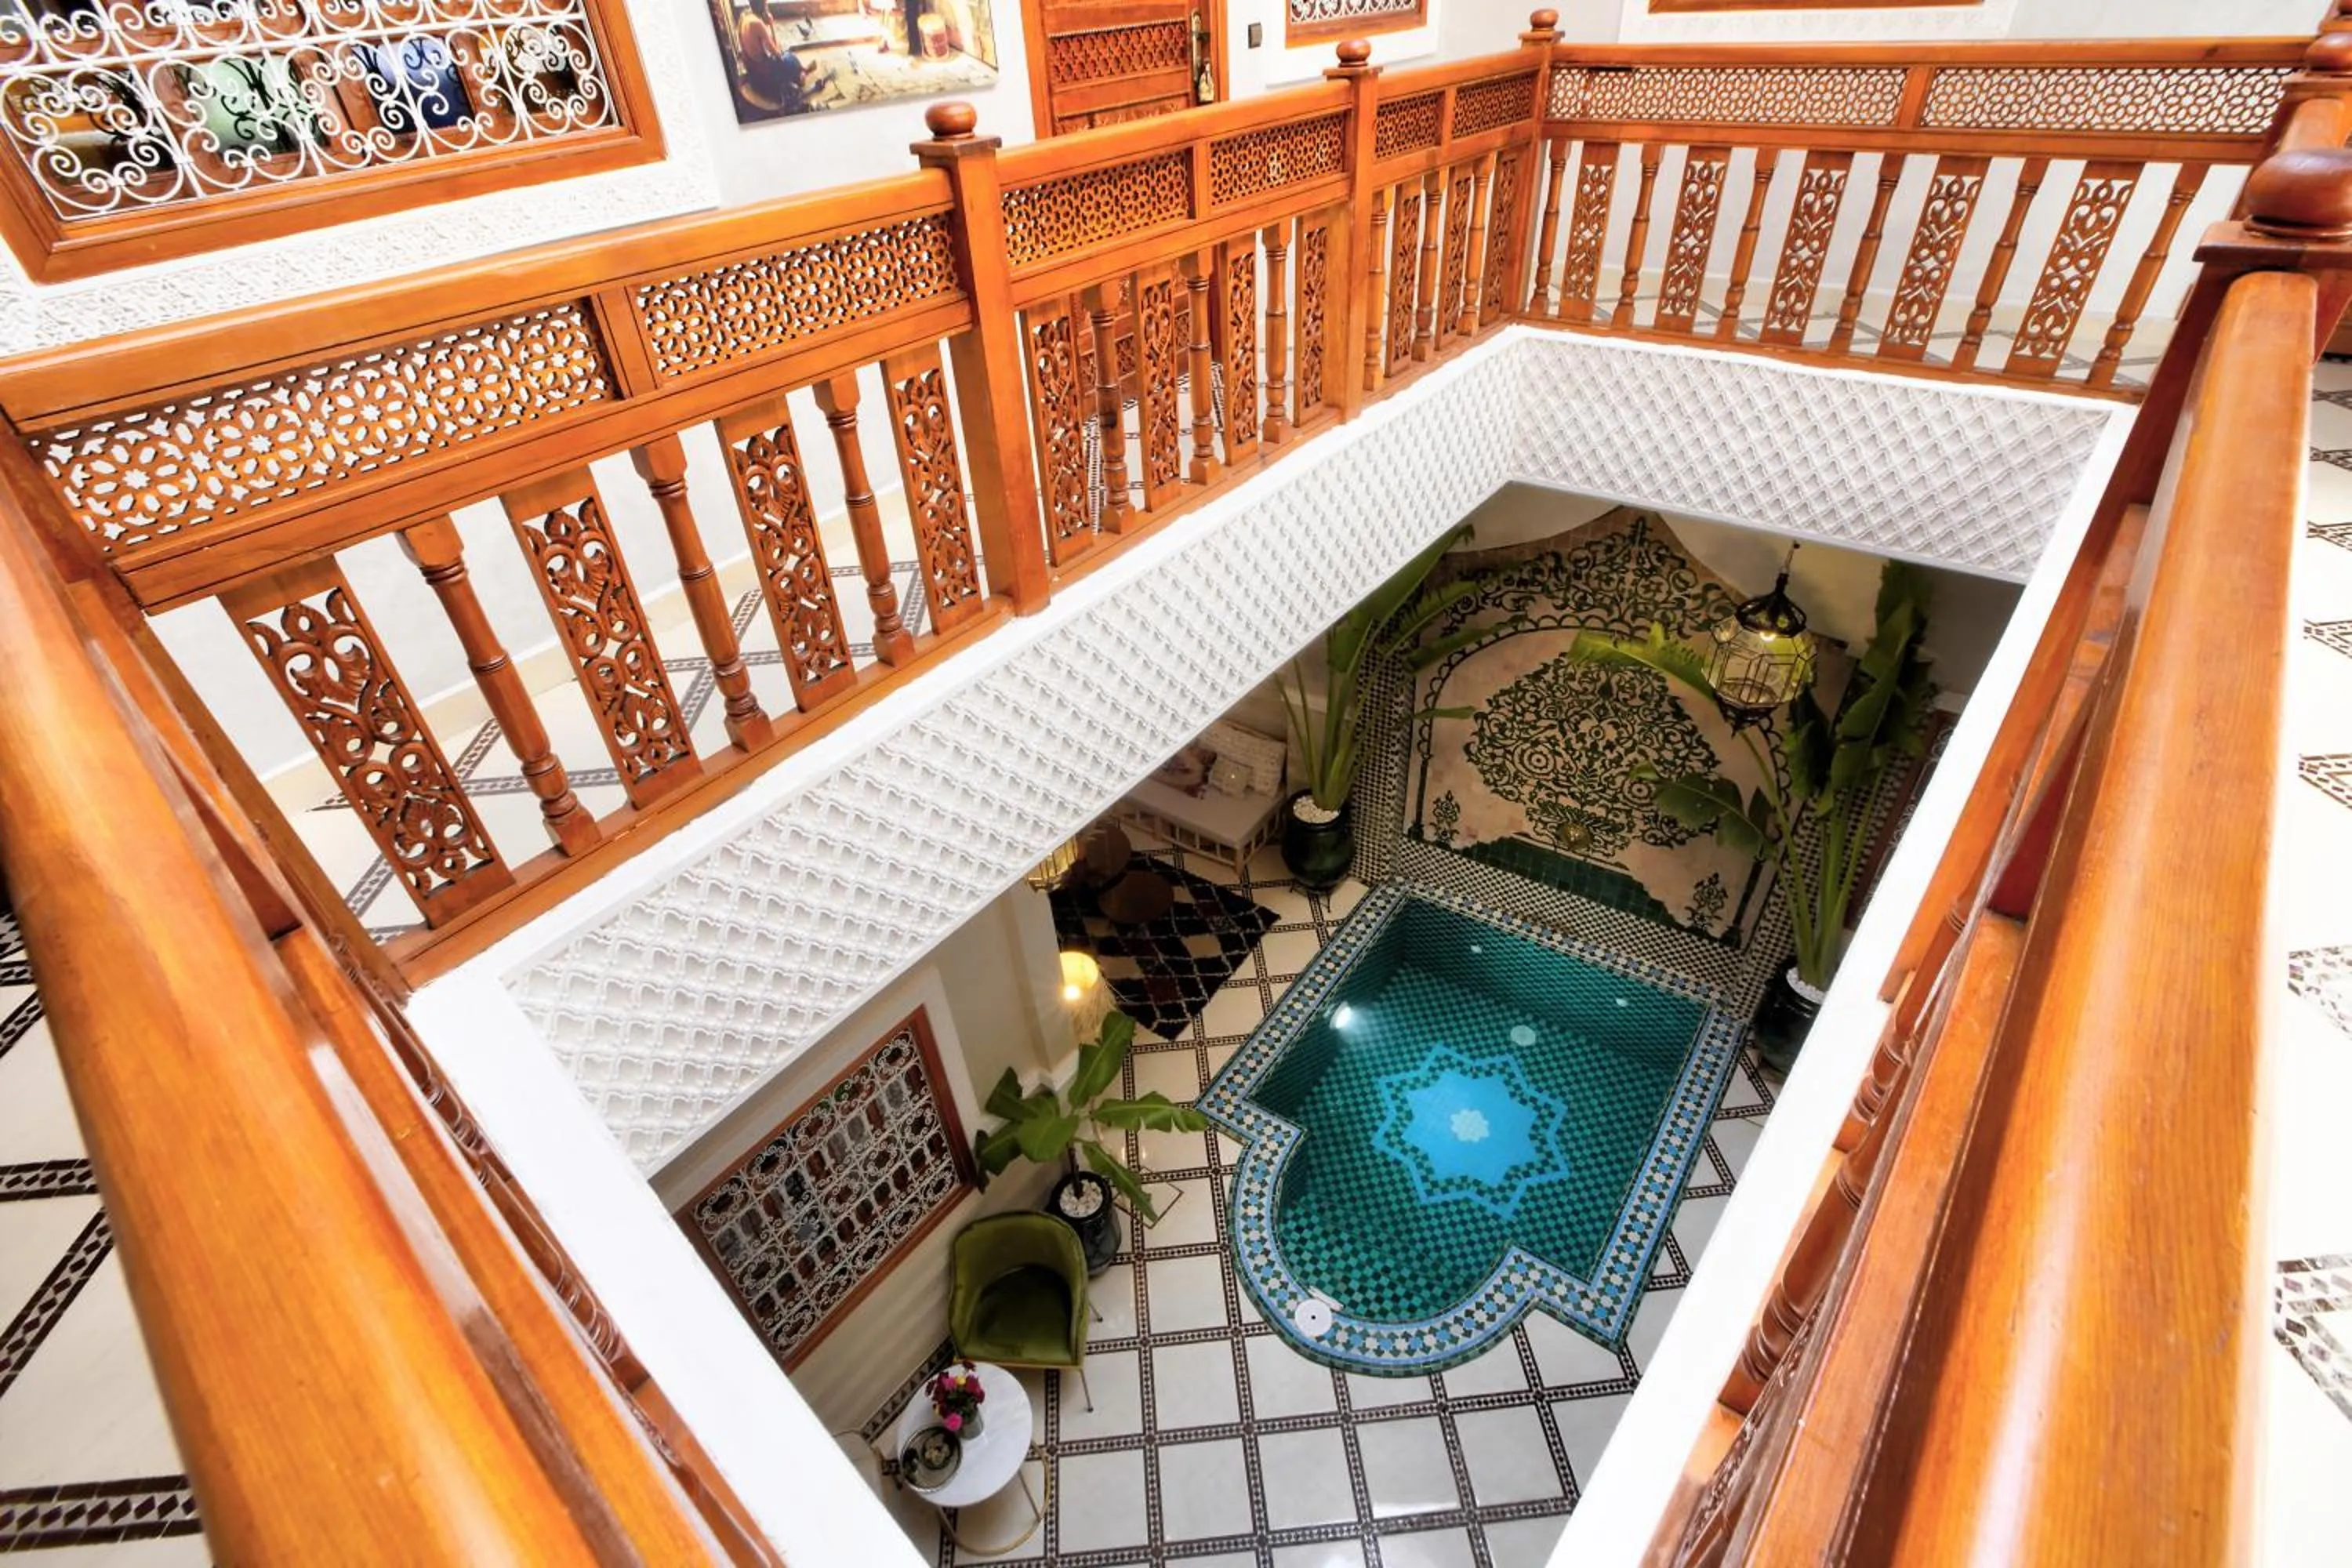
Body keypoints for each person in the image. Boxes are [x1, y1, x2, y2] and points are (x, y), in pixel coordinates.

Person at [735, 0, 795, 108]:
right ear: (763, 4)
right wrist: (771, 25)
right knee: (790, 58)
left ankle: (801, 71)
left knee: (787, 55)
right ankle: (799, 75)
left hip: (751, 68)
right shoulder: (758, 24)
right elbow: (777, 53)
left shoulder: (745, 16)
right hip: (763, 74)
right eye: (766, 3)